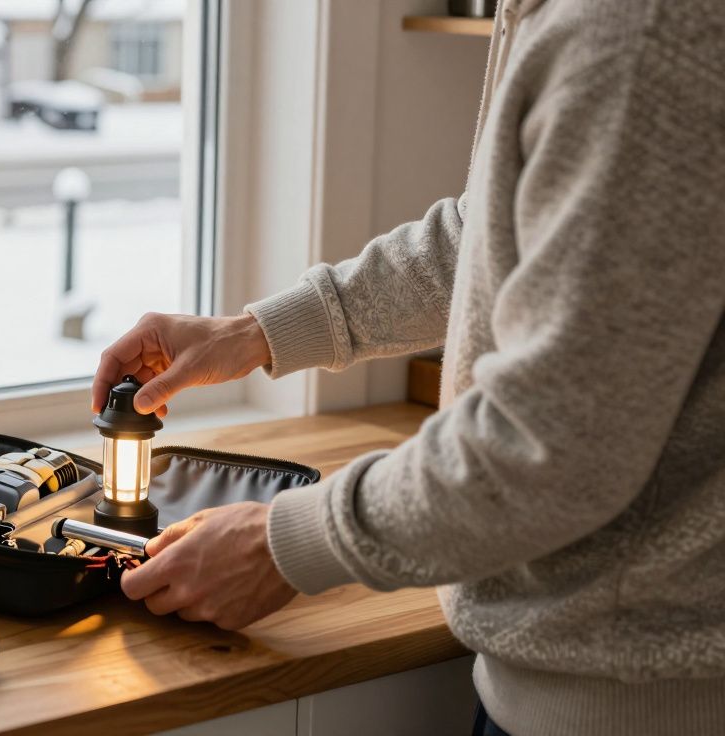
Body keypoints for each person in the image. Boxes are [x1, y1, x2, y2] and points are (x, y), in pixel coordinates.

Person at [93, 1, 725, 734]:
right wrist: (255, 333)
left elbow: (548, 444)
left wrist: (281, 545)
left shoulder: (640, 34)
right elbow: (489, 232)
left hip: (635, 704)